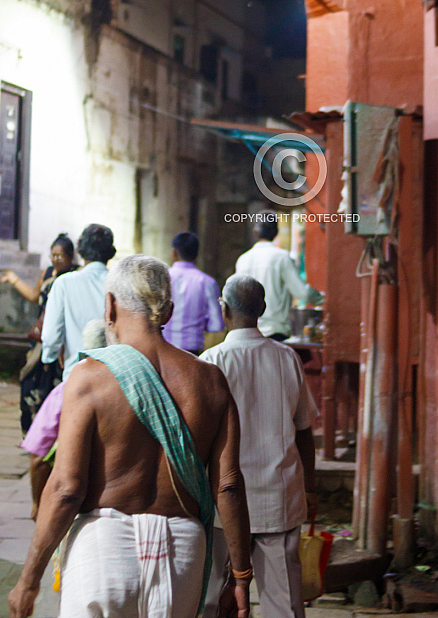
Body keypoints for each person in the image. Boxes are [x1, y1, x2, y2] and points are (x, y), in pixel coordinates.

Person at [9, 254, 252, 618]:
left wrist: (29, 580)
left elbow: (66, 488)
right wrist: (241, 576)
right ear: (168, 312)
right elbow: (229, 487)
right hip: (183, 553)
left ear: (110, 306)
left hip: (103, 550)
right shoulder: (210, 381)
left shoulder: (89, 378)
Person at [201, 274, 319, 618]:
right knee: (283, 602)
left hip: (223, 500)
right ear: (263, 309)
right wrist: (309, 487)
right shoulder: (286, 358)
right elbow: (304, 431)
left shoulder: (211, 361)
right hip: (278, 497)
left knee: (212, 599)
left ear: (223, 310)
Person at [20, 319, 108, 521]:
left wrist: (37, 506)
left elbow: (38, 460)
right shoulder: (138, 390)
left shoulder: (66, 392)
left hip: (77, 507)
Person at [1, 233, 78, 433]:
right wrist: (13, 279)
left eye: (60, 256)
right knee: (29, 381)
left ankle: (54, 434)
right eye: (53, 255)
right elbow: (35, 296)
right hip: (42, 339)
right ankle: (31, 432)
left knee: (56, 386)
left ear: (71, 257)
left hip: (64, 340)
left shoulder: (75, 276)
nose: (56, 259)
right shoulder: (48, 272)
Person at [41, 223, 116, 380]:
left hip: (76, 376)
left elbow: (50, 336)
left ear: (81, 251)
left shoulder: (64, 283)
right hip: (114, 377)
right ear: (110, 252)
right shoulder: (120, 283)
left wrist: (49, 356)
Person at [235, 213, 322, 340]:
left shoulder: (243, 259)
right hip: (275, 332)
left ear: (255, 232)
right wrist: (323, 300)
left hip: (247, 332)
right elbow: (303, 293)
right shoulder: (282, 258)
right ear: (276, 232)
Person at [162, 231, 224, 355]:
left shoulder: (162, 278)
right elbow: (216, 325)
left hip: (164, 349)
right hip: (192, 352)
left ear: (174, 252)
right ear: (196, 255)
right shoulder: (207, 282)